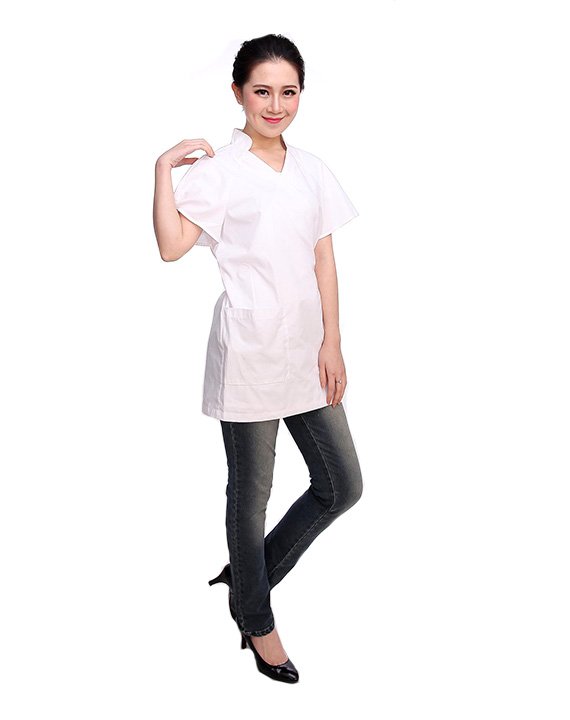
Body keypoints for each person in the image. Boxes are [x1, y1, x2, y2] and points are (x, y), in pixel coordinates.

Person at [153, 33, 363, 683]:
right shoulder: (219, 172)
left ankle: (248, 579)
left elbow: (323, 259)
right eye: (262, 91)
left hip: (307, 351)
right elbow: (171, 246)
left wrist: (333, 341)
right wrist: (162, 170)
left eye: (288, 92)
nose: (276, 105)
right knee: (251, 498)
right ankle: (256, 619)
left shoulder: (312, 170)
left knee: (342, 485)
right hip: (248, 353)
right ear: (238, 93)